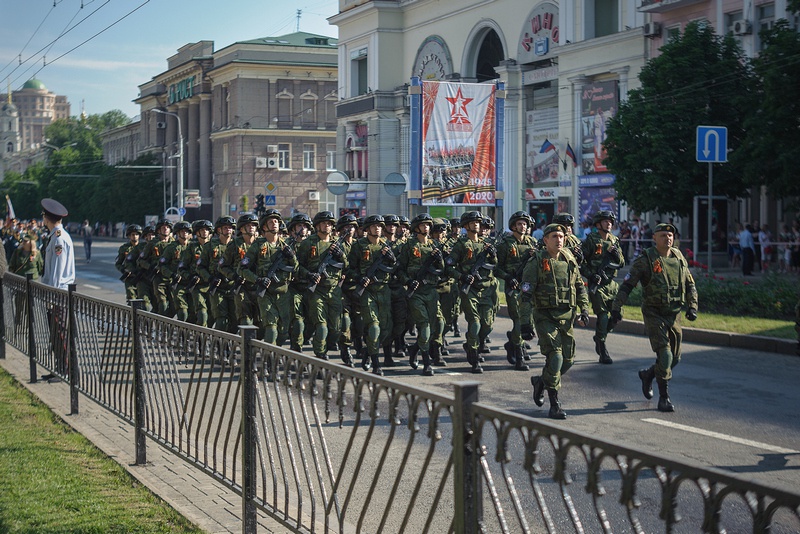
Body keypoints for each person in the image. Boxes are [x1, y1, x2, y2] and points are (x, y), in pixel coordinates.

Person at [610, 223, 698, 413]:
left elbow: (689, 284)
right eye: (664, 235)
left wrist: (692, 306)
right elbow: (627, 285)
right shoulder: (646, 259)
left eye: (671, 235)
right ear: (655, 238)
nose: (668, 238)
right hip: (654, 313)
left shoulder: (678, 257)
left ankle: (648, 374)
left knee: (675, 359)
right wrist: (616, 308)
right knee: (665, 355)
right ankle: (664, 397)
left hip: (674, 314)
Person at [520, 223, 590, 419]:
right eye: (554, 236)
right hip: (545, 317)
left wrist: (584, 309)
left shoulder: (569, 259)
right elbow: (525, 295)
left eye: (561, 236)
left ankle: (541, 381)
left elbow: (579, 286)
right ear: (545, 240)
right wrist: (525, 324)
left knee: (567, 361)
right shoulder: (536, 262)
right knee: (556, 357)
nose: (559, 240)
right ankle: (555, 403)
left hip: (567, 317)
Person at [446, 210, 498, 373]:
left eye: (478, 222)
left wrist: (493, 255)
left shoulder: (486, 244)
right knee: (474, 323)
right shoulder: (461, 245)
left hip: (487, 288)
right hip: (470, 291)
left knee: (487, 325)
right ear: (466, 226)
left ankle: (471, 344)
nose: (477, 224)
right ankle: (474, 356)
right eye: (473, 222)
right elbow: (449, 266)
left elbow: (494, 264)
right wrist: (462, 276)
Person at [346, 215, 396, 375]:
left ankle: (369, 350)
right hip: (367, 291)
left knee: (386, 328)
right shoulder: (359, 246)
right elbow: (349, 268)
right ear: (367, 229)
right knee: (373, 327)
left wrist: (392, 260)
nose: (378, 228)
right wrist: (360, 278)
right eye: (374, 226)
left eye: (380, 226)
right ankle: (376, 364)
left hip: (384, 289)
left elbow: (394, 268)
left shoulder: (386, 245)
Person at [397, 213, 445, 376]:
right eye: (423, 225)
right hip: (416, 293)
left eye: (428, 225)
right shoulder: (409, 246)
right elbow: (400, 269)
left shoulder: (434, 245)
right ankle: (426, 362)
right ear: (416, 228)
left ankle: (415, 348)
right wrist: (408, 281)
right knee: (424, 326)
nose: (427, 227)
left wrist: (439, 260)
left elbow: (441, 270)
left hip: (431, 291)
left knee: (436, 326)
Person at [296, 211, 348, 361]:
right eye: (324, 223)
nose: (327, 226)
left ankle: (327, 345)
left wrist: (341, 256)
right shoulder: (308, 243)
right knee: (321, 325)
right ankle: (320, 355)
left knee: (336, 328)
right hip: (316, 291)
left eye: (330, 224)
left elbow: (347, 266)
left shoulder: (338, 243)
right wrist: (309, 275)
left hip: (334, 290)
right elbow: (298, 266)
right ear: (317, 226)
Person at [581, 210, 625, 364]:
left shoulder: (614, 240)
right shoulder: (591, 240)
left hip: (611, 284)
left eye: (611, 221)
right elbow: (581, 262)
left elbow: (621, 263)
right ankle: (602, 345)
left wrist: (616, 255)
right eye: (606, 221)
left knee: (617, 316)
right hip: (597, 284)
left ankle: (600, 335)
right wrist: (591, 275)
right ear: (598, 224)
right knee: (603, 316)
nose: (609, 224)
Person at [495, 210, 537, 371]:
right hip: (513, 287)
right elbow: (496, 268)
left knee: (528, 320)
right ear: (513, 226)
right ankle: (519, 357)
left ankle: (511, 343)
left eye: (525, 224)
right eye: (519, 223)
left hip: (529, 288)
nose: (523, 226)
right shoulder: (505, 244)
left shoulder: (533, 242)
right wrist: (507, 278)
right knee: (519, 320)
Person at [40, 198, 75, 289]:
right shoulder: (57, 236)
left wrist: (50, 297)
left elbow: (56, 271)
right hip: (58, 292)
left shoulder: (58, 239)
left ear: (46, 219)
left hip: (58, 294)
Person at [115, 224, 142, 301]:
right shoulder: (124, 248)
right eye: (132, 234)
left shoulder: (144, 247)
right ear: (129, 236)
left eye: (137, 234)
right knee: (132, 299)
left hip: (142, 277)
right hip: (130, 278)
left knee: (142, 300)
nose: (135, 236)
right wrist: (123, 270)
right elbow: (118, 263)